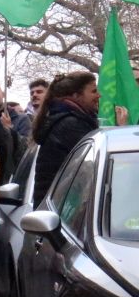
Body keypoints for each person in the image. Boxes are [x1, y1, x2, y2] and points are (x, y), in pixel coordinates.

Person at [30, 72, 100, 205]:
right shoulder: (70, 125)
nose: (99, 95)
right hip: (58, 211)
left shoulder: (69, 120)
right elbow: (95, 168)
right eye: (94, 91)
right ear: (76, 96)